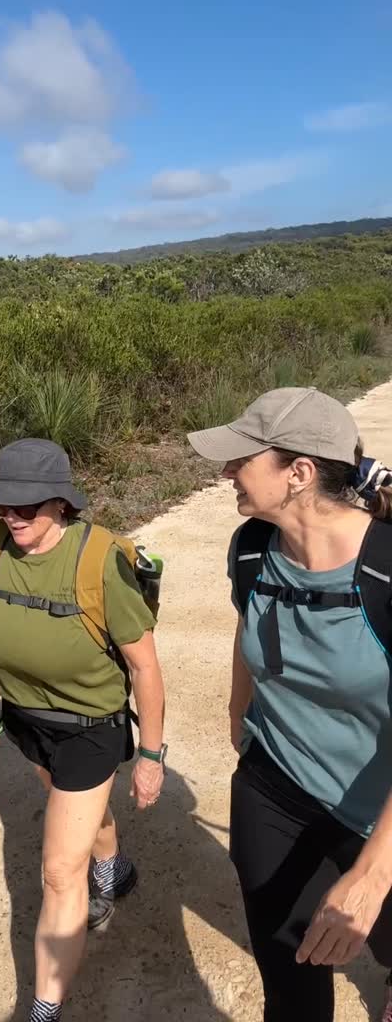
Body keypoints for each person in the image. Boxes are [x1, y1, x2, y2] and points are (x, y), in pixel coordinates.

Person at [188, 385, 392, 1022]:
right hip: (275, 787)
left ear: (299, 473)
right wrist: (237, 716)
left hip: (380, 813)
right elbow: (251, 630)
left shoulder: (387, 569)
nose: (226, 472)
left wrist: (375, 873)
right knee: (290, 976)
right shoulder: (251, 548)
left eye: (242, 459)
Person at [0, 438, 166, 1022]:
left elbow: (144, 667)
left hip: (88, 728)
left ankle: (43, 1011)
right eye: (5, 506)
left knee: (58, 873)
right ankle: (113, 871)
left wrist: (150, 754)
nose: (14, 518)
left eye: (28, 508)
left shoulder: (100, 560)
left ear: (61, 503)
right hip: (26, 718)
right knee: (68, 802)